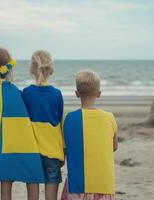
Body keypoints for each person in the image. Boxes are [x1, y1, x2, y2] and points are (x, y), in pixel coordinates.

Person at [0, 47, 45, 200]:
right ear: (9, 67)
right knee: (25, 177)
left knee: (4, 182)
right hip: (17, 145)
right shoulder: (15, 91)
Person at [61, 69, 118, 200]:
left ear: (76, 94)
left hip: (77, 184)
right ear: (99, 94)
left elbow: (65, 149)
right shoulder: (109, 118)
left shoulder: (68, 118)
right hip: (104, 185)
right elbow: (114, 147)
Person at [22, 50, 64, 200]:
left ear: (32, 69)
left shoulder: (26, 93)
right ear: (50, 69)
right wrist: (62, 151)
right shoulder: (56, 94)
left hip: (32, 151)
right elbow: (58, 122)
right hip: (52, 151)